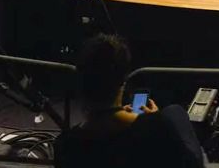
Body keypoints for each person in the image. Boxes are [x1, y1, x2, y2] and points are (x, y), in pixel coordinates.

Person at [54, 34, 205, 168]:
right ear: (123, 81)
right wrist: (156, 120)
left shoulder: (65, 146)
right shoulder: (157, 128)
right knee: (175, 112)